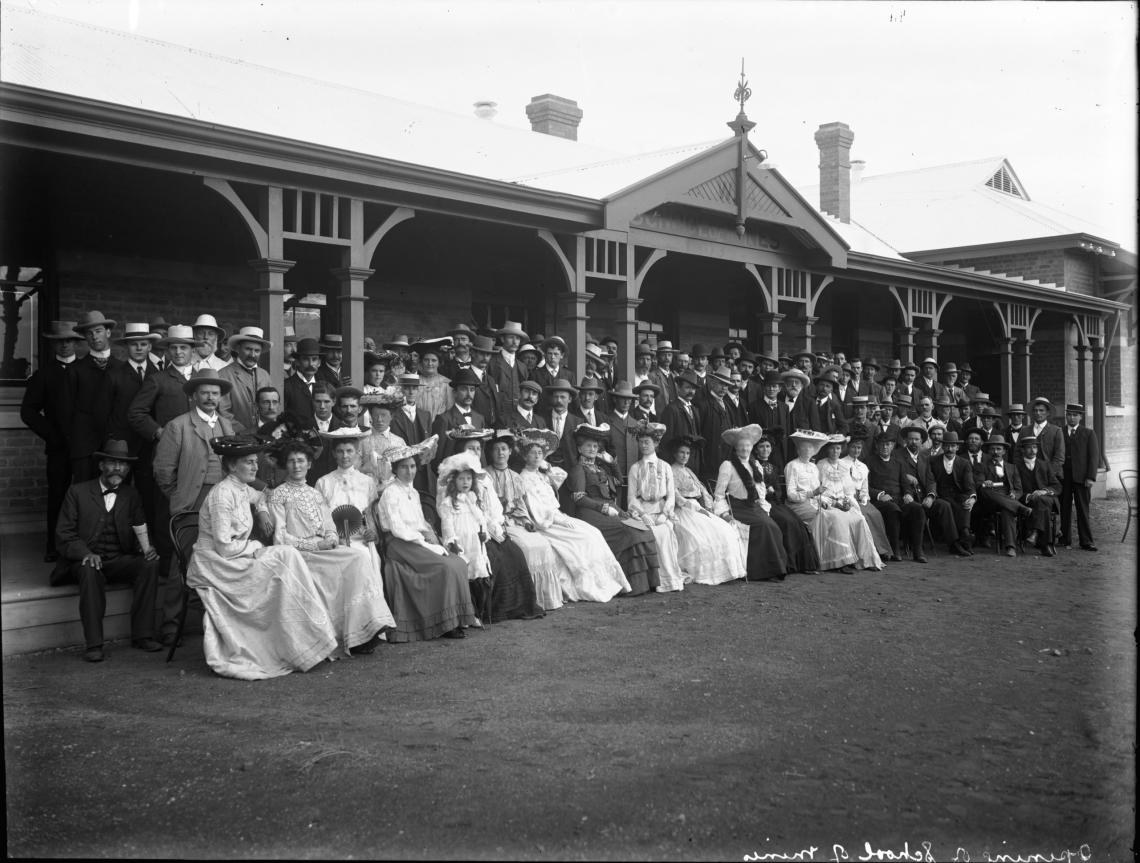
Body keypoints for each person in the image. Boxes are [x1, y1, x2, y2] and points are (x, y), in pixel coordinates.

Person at [186, 436, 358, 679]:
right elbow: (224, 547)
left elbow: (264, 496)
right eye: (249, 462)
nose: (256, 468)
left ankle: (305, 641)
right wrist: (255, 544)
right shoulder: (222, 494)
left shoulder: (242, 488)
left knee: (287, 557)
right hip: (216, 563)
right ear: (232, 466)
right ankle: (295, 643)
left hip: (237, 557)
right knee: (285, 557)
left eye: (256, 461)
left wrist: (263, 511)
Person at [268, 433, 396, 653]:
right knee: (347, 562)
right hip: (299, 553)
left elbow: (328, 525)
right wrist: (317, 546)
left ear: (309, 464)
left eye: (301, 461)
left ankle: (364, 629)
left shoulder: (314, 494)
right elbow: (280, 537)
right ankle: (350, 634)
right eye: (291, 461)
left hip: (324, 548)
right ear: (285, 465)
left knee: (357, 557)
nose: (296, 465)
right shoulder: (279, 495)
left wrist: (331, 538)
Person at [52, 440, 161, 663]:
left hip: (117, 560)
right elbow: (64, 535)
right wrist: (85, 553)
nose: (118, 469)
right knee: (90, 570)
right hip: (84, 561)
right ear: (101, 465)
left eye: (123, 465)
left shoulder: (131, 495)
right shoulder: (77, 492)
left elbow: (139, 529)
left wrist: (146, 548)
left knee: (150, 564)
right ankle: (94, 644)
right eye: (112, 463)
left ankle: (143, 634)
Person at [375, 437, 477, 641]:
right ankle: (445, 624)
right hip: (400, 544)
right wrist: (423, 541)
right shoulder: (390, 492)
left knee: (457, 562)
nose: (409, 471)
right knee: (445, 567)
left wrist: (429, 532)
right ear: (395, 469)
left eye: (412, 466)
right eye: (404, 467)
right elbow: (398, 528)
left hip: (416, 539)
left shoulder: (412, 491)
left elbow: (419, 521)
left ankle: (458, 618)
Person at [516, 431, 630, 604]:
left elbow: (559, 478)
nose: (538, 456)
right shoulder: (524, 479)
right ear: (525, 456)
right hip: (546, 523)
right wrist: (557, 519)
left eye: (540, 453)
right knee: (582, 539)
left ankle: (607, 583)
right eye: (533, 453)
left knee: (593, 533)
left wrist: (546, 468)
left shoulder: (542, 475)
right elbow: (536, 510)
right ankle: (588, 587)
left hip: (558, 516)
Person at [436, 450, 544, 622]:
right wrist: (452, 542)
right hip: (462, 541)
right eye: (461, 479)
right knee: (478, 567)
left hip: (479, 538)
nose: (465, 482)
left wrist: (489, 530)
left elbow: (482, 517)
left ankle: (508, 605)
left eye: (468, 479)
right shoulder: (448, 502)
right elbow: (447, 525)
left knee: (512, 553)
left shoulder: (474, 496)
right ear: (454, 480)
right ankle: (475, 611)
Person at [565, 423, 661, 595]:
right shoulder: (578, 470)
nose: (592, 449)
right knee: (629, 531)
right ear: (579, 448)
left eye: (595, 446)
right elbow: (578, 497)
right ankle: (631, 585)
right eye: (588, 446)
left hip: (610, 508)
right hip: (590, 512)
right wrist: (602, 508)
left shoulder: (600, 468)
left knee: (642, 528)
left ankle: (647, 584)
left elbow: (618, 482)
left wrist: (612, 462)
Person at [21, 321, 85, 561]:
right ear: (53, 344)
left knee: (84, 495)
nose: (65, 344)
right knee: (57, 495)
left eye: (69, 340)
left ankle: (83, 544)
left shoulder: (86, 370)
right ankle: (54, 546)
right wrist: (52, 435)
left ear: (76, 343)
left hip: (84, 448)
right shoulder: (44, 374)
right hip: (58, 448)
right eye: (60, 341)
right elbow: (28, 411)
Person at [483, 430, 562, 611]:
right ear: (490, 453)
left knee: (542, 544)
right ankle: (528, 596)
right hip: (498, 522)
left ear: (510, 452)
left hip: (516, 520)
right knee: (525, 547)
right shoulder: (485, 476)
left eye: (504, 449)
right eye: (496, 450)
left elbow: (520, 505)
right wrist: (500, 519)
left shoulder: (516, 477)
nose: (501, 453)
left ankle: (546, 598)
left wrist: (526, 521)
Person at [713, 424, 789, 581]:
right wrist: (725, 514)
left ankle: (776, 569)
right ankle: (761, 572)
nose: (744, 449)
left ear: (751, 447)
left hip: (753, 506)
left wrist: (764, 507)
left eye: (747, 446)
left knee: (774, 527)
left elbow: (760, 491)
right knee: (764, 527)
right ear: (735, 448)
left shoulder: (755, 465)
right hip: (737, 507)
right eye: (741, 446)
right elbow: (719, 494)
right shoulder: (728, 465)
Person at [668, 435, 746, 585]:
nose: (685, 456)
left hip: (698, 508)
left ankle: (729, 571)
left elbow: (702, 490)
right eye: (681, 453)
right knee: (700, 538)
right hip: (684, 510)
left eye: (687, 453)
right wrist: (696, 508)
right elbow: (676, 497)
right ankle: (705, 572)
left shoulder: (689, 471)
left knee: (725, 530)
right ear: (674, 454)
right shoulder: (671, 471)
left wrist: (708, 505)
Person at [625, 421, 685, 592]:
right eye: (641, 442)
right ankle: (650, 579)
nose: (643, 445)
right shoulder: (635, 468)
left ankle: (667, 580)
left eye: (647, 442)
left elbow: (671, 496)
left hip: (660, 511)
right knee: (642, 531)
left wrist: (665, 514)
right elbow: (631, 497)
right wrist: (642, 514)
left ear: (656, 444)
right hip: (641, 512)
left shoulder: (665, 467)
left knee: (664, 532)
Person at [813, 435, 884, 571]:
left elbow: (848, 491)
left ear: (841, 450)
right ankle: (842, 561)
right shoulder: (821, 465)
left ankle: (866, 559)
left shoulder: (844, 466)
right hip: (827, 505)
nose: (835, 452)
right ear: (828, 450)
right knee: (840, 520)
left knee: (860, 519)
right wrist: (833, 503)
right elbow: (817, 492)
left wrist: (847, 503)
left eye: (838, 449)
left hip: (842, 504)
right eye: (832, 449)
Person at [866, 431, 929, 563]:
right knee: (893, 509)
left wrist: (907, 494)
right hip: (880, 502)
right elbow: (865, 486)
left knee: (918, 509)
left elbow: (905, 484)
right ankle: (895, 550)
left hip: (899, 500)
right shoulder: (869, 462)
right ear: (877, 446)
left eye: (888, 444)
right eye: (882, 444)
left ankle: (918, 551)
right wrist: (879, 494)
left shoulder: (898, 463)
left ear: (893, 446)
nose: (885, 447)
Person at [975, 434, 1033, 557]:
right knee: (985, 491)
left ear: (1004, 451)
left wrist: (1014, 495)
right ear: (989, 451)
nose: (995, 452)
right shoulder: (982, 466)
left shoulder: (1012, 468)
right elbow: (978, 484)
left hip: (1007, 500)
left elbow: (1019, 489)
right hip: (990, 502)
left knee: (1007, 510)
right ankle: (1019, 508)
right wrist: (985, 483)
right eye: (993, 449)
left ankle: (1010, 547)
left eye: (999, 449)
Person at [838, 433, 893, 560]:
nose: (856, 450)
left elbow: (864, 487)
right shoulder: (840, 464)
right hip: (847, 498)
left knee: (875, 514)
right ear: (848, 448)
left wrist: (864, 498)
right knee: (865, 516)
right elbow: (840, 485)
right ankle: (871, 551)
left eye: (859, 448)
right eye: (853, 447)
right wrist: (852, 497)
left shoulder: (863, 467)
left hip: (860, 499)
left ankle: (882, 549)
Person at [928, 431, 977, 556]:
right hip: (941, 496)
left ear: (957, 447)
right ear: (943, 447)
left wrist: (972, 498)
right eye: (947, 446)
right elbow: (931, 481)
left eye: (952, 446)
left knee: (965, 501)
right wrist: (931, 495)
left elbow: (969, 484)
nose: (949, 449)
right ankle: (958, 542)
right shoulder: (933, 461)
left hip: (957, 495)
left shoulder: (964, 463)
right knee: (947, 505)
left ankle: (965, 536)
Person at [218, 326, 273, 433]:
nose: (252, 355)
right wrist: (245, 431)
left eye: (257, 351)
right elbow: (223, 411)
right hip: (235, 437)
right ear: (238, 348)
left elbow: (270, 405)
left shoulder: (264, 375)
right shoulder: (223, 375)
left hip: (264, 436)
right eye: (248, 349)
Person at [1059, 403, 1099, 551]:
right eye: (1069, 414)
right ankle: (1064, 538)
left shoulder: (1088, 433)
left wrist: (1090, 477)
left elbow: (1094, 457)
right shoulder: (1060, 432)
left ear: (1081, 417)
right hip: (1064, 477)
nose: (1071, 418)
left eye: (1075, 415)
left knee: (1083, 509)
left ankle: (1086, 541)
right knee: (1064, 508)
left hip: (1082, 478)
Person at [1014, 435, 1061, 557]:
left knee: (1041, 501)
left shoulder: (1045, 465)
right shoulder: (1015, 467)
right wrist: (1028, 495)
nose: (1032, 450)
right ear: (1022, 450)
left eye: (1035, 447)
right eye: (1029, 448)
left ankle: (1035, 532)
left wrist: (1044, 491)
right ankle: (1046, 545)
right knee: (1042, 506)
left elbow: (1057, 486)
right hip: (1027, 501)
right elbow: (1014, 488)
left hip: (1046, 498)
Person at [358, 391, 407, 487]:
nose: (379, 420)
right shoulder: (362, 440)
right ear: (371, 416)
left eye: (383, 415)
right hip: (365, 489)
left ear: (391, 416)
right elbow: (354, 471)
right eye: (376, 415)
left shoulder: (399, 442)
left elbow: (404, 471)